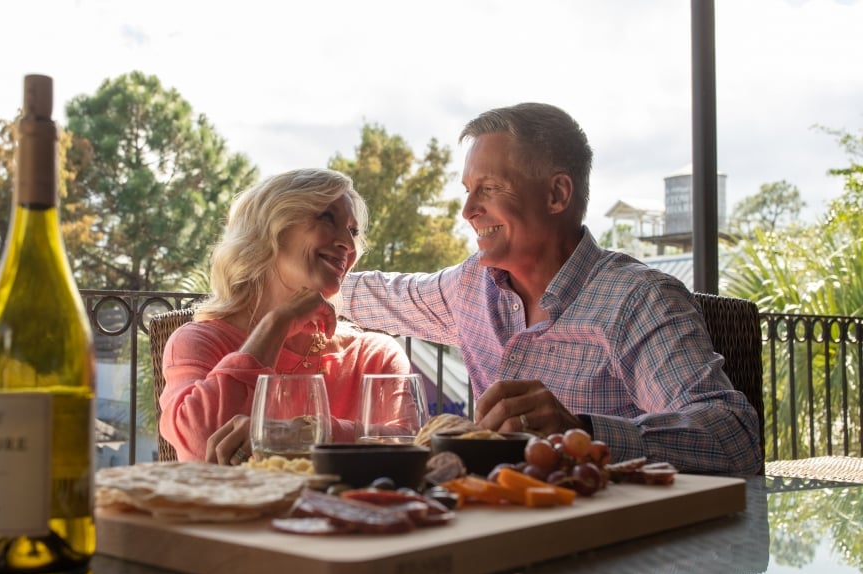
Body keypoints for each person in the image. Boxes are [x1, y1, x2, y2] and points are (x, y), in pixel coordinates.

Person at [340, 102, 763, 475]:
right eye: (469, 191)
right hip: (503, 525)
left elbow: (735, 438)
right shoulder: (469, 286)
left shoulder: (637, 300)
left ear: (557, 194)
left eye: (488, 188)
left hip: (621, 548)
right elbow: (377, 294)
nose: (468, 211)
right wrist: (297, 278)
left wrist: (583, 432)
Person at [159, 168, 411, 464]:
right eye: (327, 218)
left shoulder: (373, 356)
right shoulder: (199, 342)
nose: (348, 243)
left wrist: (307, 433)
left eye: (353, 232)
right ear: (270, 230)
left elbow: (409, 450)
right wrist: (277, 324)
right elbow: (204, 448)